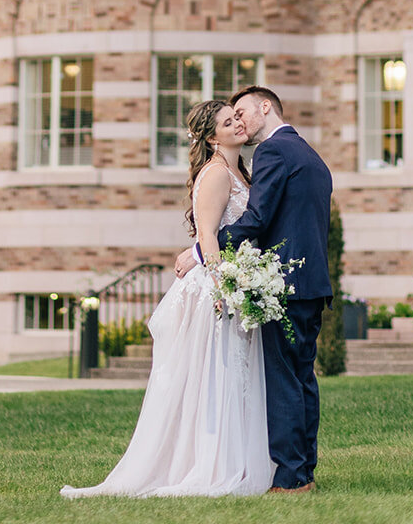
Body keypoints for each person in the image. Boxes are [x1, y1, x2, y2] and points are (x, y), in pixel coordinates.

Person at [61, 98, 274, 499]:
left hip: (232, 279)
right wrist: (223, 284)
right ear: (212, 137)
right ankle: (207, 465)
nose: (238, 126)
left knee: (231, 376)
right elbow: (208, 235)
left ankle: (237, 458)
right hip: (216, 288)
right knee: (212, 378)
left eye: (236, 119)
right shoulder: (215, 174)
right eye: (228, 123)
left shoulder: (238, 170)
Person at [174, 85, 333, 494]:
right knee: (301, 380)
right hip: (311, 283)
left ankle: (292, 478)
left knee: (283, 381)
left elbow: (258, 219)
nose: (240, 122)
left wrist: (197, 249)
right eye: (231, 119)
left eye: (242, 113)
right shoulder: (310, 154)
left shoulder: (272, 152)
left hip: (285, 284)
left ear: (266, 107)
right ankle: (305, 471)